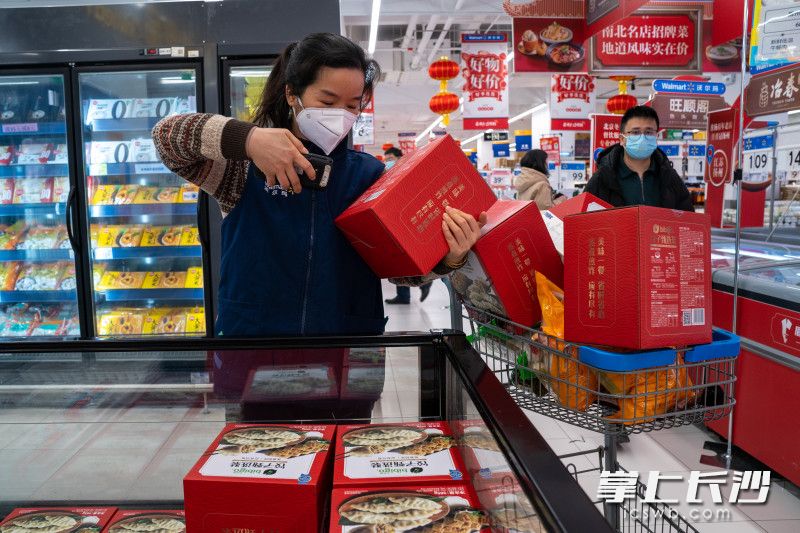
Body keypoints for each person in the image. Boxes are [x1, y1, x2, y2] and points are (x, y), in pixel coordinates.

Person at [152, 33, 485, 336]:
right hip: (255, 344)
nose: (340, 114)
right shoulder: (243, 169)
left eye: (353, 105)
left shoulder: (370, 177)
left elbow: (399, 271)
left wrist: (448, 259)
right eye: (327, 102)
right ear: (291, 94)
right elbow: (167, 137)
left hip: (347, 349)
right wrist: (250, 139)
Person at [585, 105, 693, 211]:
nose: (642, 138)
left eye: (649, 132)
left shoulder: (670, 177)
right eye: (635, 132)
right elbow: (584, 220)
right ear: (622, 139)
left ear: (656, 137)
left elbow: (688, 219)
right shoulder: (603, 178)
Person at [383, 146, 433, 305]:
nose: (388, 162)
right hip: (394, 221)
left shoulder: (407, 171)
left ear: (399, 157)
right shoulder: (388, 174)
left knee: (410, 257)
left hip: (407, 221)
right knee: (399, 259)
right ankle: (403, 295)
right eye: (387, 159)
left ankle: (425, 281)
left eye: (390, 158)